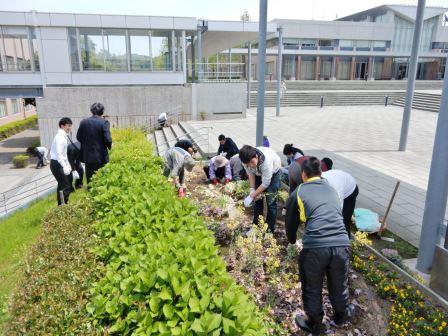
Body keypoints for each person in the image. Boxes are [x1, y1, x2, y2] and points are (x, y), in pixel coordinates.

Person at [285, 157, 354, 335]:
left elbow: (290, 222)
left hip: (316, 247)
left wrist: (292, 240)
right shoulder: (332, 190)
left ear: (303, 175)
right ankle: (341, 316)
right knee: (339, 282)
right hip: (341, 244)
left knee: (312, 286)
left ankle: (315, 324)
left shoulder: (299, 191)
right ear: (321, 173)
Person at [239, 145, 281, 232]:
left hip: (273, 173)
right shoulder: (245, 161)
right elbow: (251, 174)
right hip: (258, 173)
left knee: (271, 202)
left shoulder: (267, 162)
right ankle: (256, 227)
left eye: (252, 162)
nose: (250, 165)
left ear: (256, 156)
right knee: (257, 201)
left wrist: (252, 196)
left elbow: (266, 183)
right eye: (248, 164)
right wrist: (252, 189)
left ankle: (269, 229)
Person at [76, 102, 112, 184]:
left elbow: (78, 137)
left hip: (87, 156)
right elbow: (108, 140)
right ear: (102, 112)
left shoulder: (83, 122)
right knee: (102, 179)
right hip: (101, 156)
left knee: (90, 179)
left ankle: (90, 195)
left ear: (91, 111)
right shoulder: (104, 122)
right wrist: (109, 146)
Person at [322, 168, 359, 237]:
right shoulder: (320, 179)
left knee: (345, 219)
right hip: (338, 185)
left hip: (350, 192)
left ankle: (346, 239)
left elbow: (339, 206)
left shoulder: (336, 185)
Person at [49, 118, 73, 205]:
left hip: (59, 163)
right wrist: (64, 165)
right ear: (62, 126)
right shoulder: (59, 137)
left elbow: (64, 154)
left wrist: (67, 164)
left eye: (70, 126)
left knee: (63, 185)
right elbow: (59, 154)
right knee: (66, 186)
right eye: (68, 126)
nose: (70, 128)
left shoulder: (63, 135)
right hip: (57, 164)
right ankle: (63, 205)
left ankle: (62, 205)